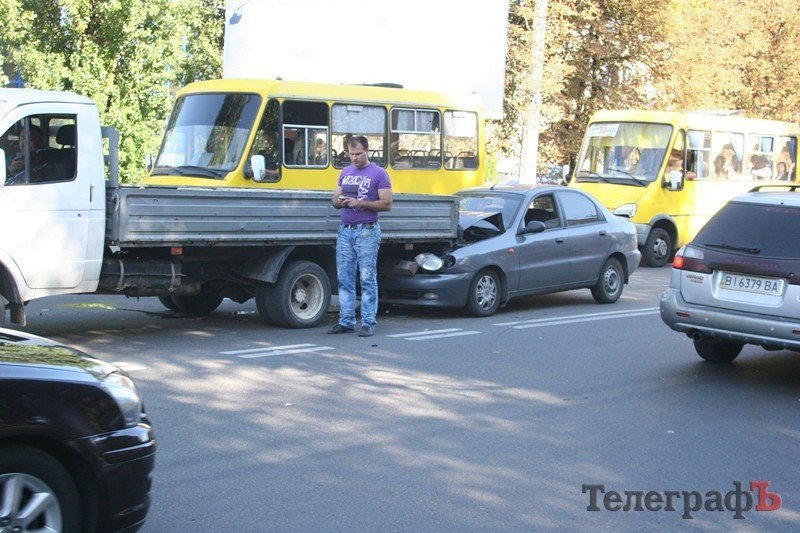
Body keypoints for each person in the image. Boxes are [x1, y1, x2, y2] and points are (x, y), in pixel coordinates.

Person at [329, 135, 392, 337]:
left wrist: (360, 203)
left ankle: (368, 322)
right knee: (344, 277)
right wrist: (339, 201)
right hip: (345, 230)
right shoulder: (345, 172)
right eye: (351, 154)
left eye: (358, 154)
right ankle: (346, 321)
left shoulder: (379, 173)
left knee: (367, 277)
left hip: (367, 230)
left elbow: (387, 204)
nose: (354, 158)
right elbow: (334, 199)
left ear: (367, 151)